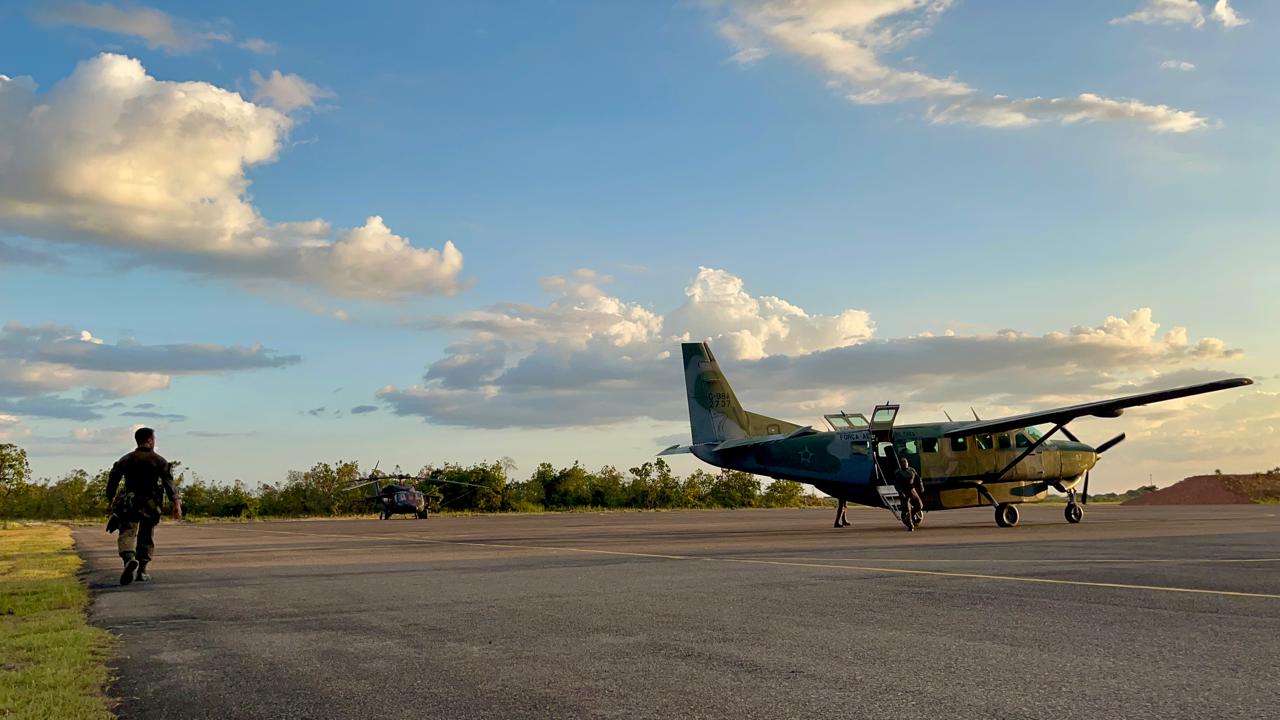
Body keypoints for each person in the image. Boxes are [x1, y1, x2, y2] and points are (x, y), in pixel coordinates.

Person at [106, 427, 181, 586]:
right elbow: (169, 484)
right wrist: (176, 504)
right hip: (151, 503)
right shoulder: (159, 461)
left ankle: (128, 560)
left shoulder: (125, 459)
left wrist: (111, 499)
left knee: (127, 532)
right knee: (146, 535)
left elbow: (113, 480)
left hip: (130, 501)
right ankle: (142, 570)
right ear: (150, 440)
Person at [892, 457, 922, 531]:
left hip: (912, 489)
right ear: (900, 464)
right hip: (903, 490)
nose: (904, 463)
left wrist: (921, 487)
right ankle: (910, 525)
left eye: (905, 462)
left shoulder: (912, 470)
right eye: (902, 462)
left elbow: (918, 478)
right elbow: (896, 484)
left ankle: (914, 513)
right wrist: (900, 492)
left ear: (907, 463)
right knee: (907, 509)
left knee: (919, 505)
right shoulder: (898, 472)